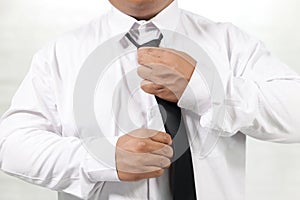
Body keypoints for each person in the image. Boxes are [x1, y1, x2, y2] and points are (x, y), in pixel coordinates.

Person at [0, 0, 300, 199]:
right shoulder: (59, 54)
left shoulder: (231, 43)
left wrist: (208, 90)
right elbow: (11, 145)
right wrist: (102, 157)